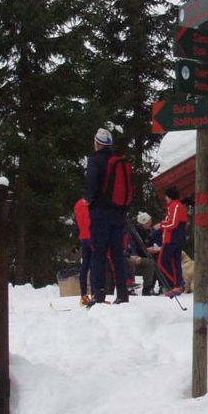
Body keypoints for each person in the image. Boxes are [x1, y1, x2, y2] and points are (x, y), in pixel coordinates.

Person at [82, 127, 130, 306]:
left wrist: (88, 198)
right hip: (118, 213)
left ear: (96, 143)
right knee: (117, 254)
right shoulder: (118, 161)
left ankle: (99, 293)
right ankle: (123, 293)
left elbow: (92, 183)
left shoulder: (95, 160)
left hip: (100, 213)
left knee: (99, 254)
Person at [155, 186, 188, 298]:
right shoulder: (180, 206)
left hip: (172, 238)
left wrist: (161, 225)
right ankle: (177, 284)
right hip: (179, 237)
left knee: (162, 261)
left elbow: (173, 223)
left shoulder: (174, 206)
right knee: (175, 262)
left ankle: (176, 283)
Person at [128, 212, 161, 296]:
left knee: (156, 261)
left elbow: (151, 243)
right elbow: (133, 247)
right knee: (150, 263)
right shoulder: (135, 233)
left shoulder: (148, 231)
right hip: (136, 256)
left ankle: (150, 288)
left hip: (146, 255)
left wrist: (153, 248)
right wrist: (146, 250)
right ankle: (146, 289)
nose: (151, 223)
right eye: (149, 222)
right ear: (144, 222)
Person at [73, 198, 94, 305]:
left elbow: (76, 223)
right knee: (94, 266)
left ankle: (84, 296)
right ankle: (95, 295)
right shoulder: (92, 202)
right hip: (93, 236)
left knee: (85, 267)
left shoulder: (77, 204)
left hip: (83, 237)